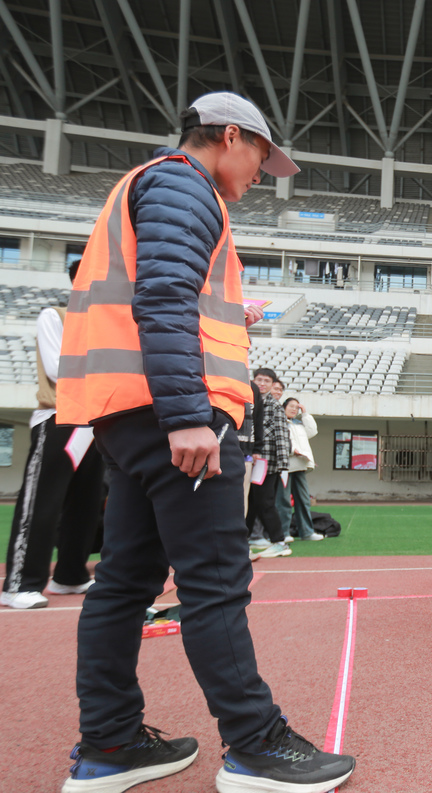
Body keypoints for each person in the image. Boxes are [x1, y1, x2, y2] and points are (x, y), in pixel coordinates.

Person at [55, 92, 354, 792]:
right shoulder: (183, 186)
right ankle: (255, 744)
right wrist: (189, 413)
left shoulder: (155, 187)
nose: (263, 173)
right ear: (228, 136)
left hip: (128, 413)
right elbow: (162, 295)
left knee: (123, 582)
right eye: (260, 156)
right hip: (175, 418)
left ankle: (110, 744)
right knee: (215, 582)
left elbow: (159, 292)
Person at [3, 264, 105, 609]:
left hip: (97, 421)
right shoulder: (55, 316)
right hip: (59, 418)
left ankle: (71, 575)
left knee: (86, 504)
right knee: (42, 503)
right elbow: (56, 368)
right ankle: (20, 582)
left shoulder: (109, 325)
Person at [247, 367, 292, 557]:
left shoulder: (273, 406)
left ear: (273, 384)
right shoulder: (252, 402)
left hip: (268, 464)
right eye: (259, 380)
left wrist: (283, 465)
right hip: (254, 462)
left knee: (265, 503)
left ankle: (279, 541)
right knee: (251, 503)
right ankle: (243, 541)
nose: (262, 384)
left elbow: (282, 436)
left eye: (266, 381)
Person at [278, 398, 321, 541]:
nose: (293, 409)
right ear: (283, 407)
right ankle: (283, 533)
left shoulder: (299, 424)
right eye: (291, 406)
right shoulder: (279, 422)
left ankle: (307, 532)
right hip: (284, 467)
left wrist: (305, 414)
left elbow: (313, 431)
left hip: (300, 466)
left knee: (303, 499)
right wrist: (291, 451)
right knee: (283, 500)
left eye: (296, 407)